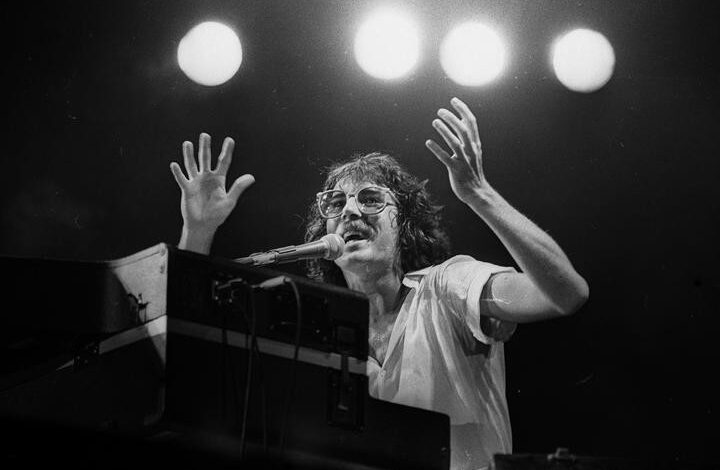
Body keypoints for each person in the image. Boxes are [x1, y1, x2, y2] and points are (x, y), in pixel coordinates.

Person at [170, 97, 589, 470]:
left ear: (404, 226)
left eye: (370, 199)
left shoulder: (448, 286)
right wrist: (199, 232)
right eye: (336, 203)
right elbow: (187, 361)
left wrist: (479, 194)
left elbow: (565, 295)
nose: (350, 211)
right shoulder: (314, 333)